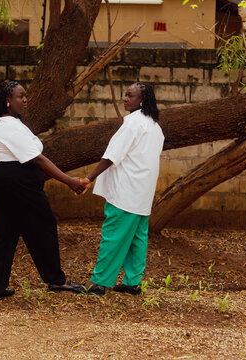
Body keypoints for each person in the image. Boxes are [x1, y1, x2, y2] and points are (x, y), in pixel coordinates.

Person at [0, 81, 85, 301]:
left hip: (5, 180)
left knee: (4, 233)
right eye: (21, 96)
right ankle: (56, 281)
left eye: (26, 96)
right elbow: (37, 158)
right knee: (43, 225)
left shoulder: (3, 123)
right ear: (7, 101)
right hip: (17, 184)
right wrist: (69, 181)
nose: (25, 100)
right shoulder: (9, 126)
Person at [78, 82, 164, 295]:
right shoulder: (154, 126)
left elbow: (111, 156)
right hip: (142, 192)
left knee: (113, 235)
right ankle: (133, 282)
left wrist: (89, 178)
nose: (125, 99)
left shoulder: (133, 124)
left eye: (130, 96)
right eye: (125, 95)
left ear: (142, 100)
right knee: (137, 238)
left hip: (126, 191)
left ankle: (99, 282)